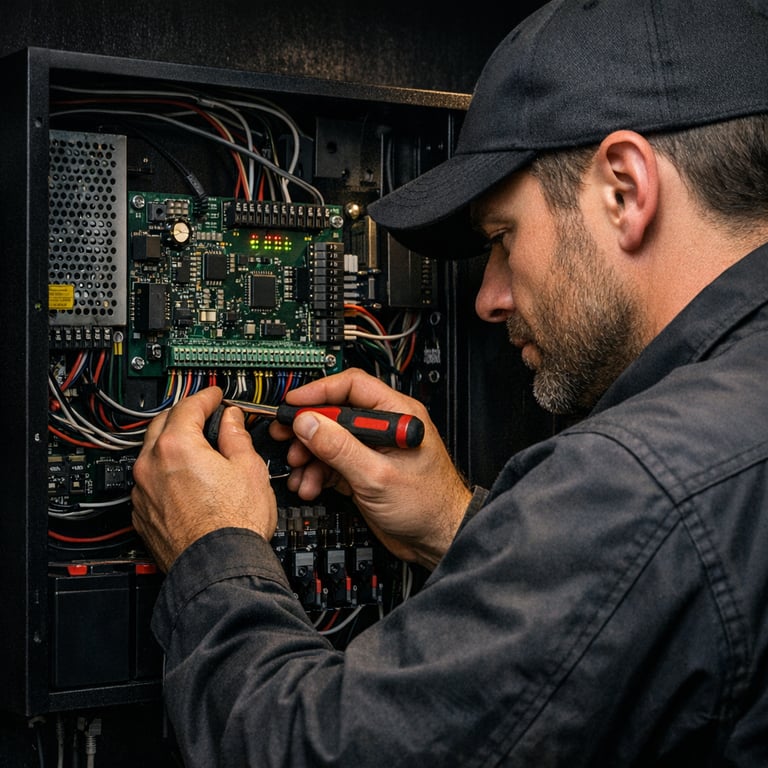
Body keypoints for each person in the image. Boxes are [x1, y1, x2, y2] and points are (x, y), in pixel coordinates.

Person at [130, 0, 768, 764]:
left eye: (503, 237)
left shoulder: (639, 485)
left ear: (624, 189)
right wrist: (455, 522)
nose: (488, 298)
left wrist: (211, 548)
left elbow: (310, 749)